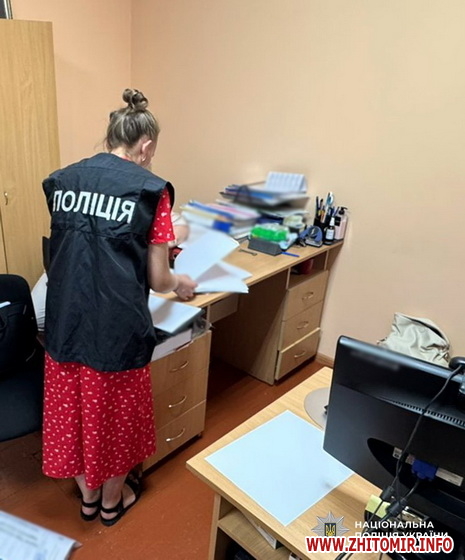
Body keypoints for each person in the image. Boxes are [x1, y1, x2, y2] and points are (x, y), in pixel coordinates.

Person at [41, 88, 197, 526]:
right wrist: (181, 283)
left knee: (70, 416)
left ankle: (87, 499)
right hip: (116, 330)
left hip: (65, 323)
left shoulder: (62, 180)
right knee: (116, 423)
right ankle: (112, 504)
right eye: (153, 152)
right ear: (145, 146)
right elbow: (159, 279)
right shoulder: (151, 190)